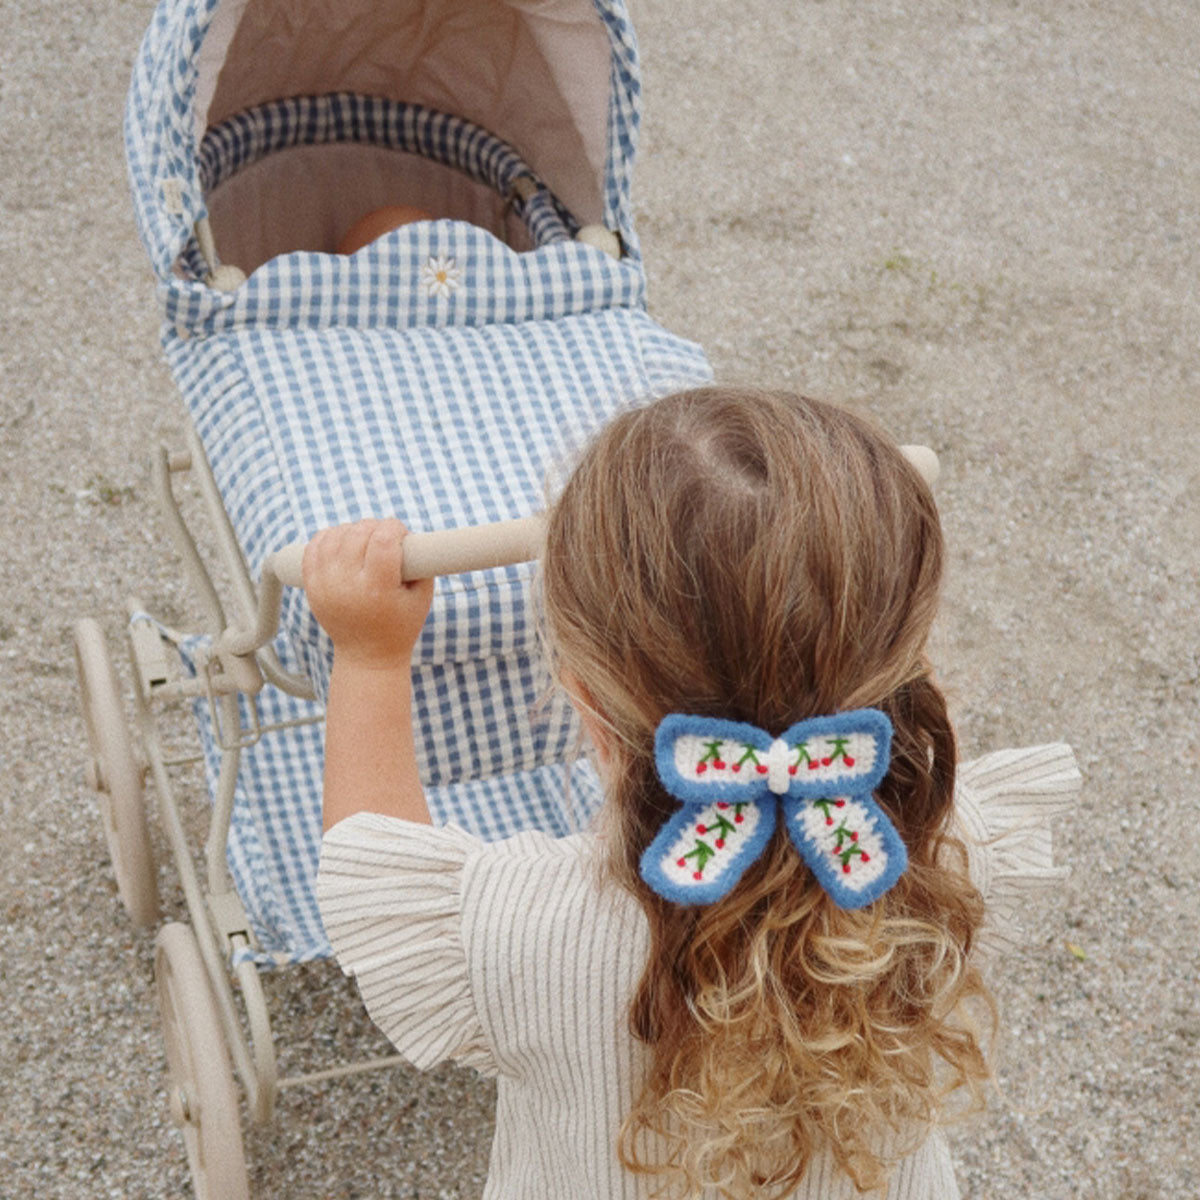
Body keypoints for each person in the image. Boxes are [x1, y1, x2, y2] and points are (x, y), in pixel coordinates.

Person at [309, 386, 1078, 1198]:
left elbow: (370, 859)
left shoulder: (514, 930)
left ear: (588, 706)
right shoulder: (952, 864)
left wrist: (368, 658)